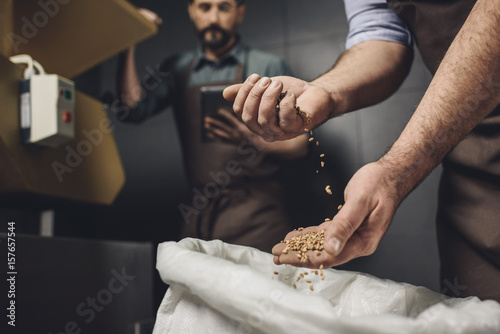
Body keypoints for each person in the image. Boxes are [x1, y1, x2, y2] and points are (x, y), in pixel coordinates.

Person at [224, 0, 500, 301]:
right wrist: (325, 91)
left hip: (446, 130)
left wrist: (397, 170)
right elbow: (381, 32)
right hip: (470, 163)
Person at [116, 0, 308, 253]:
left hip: (261, 217)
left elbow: (301, 146)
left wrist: (253, 140)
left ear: (240, 12)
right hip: (200, 217)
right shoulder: (177, 68)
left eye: (224, 7)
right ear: (191, 11)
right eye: (205, 7)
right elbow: (131, 108)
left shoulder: (269, 67)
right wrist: (127, 38)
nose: (214, 17)